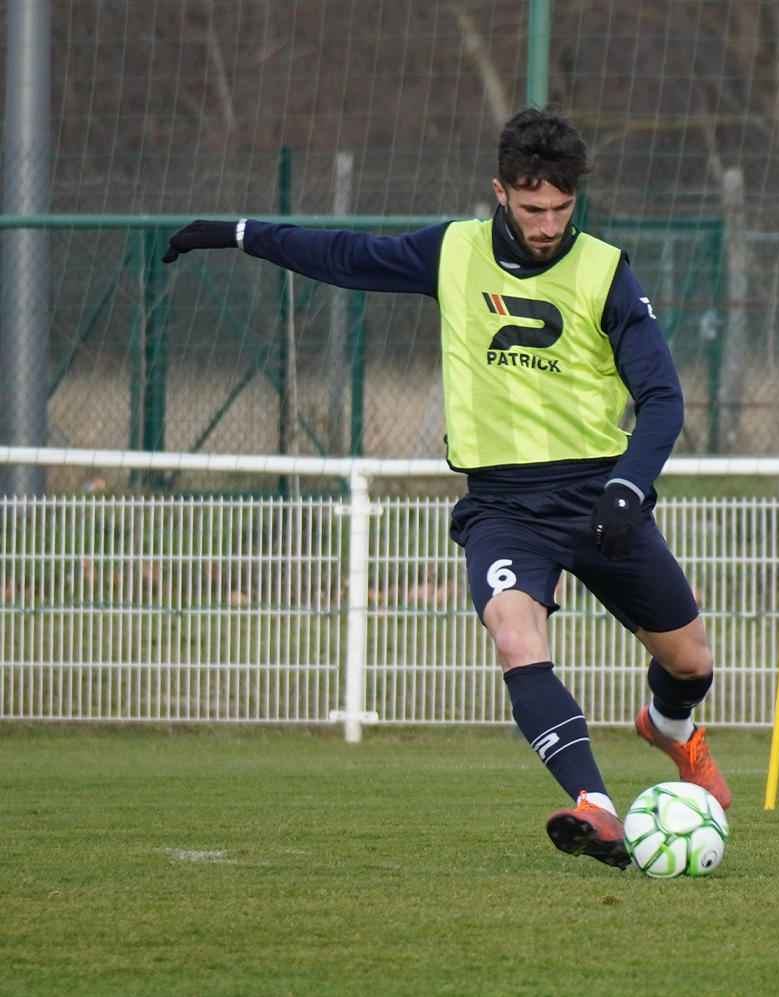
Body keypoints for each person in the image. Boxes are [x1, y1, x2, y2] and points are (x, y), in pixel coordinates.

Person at [162, 107, 729, 871]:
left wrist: (628, 488)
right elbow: (342, 255)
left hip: (599, 499)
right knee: (513, 633)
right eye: (533, 208)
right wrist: (237, 233)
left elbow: (662, 398)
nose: (549, 223)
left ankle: (667, 726)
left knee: (692, 662)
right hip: (501, 506)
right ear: (501, 191)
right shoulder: (453, 252)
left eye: (562, 208)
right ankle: (595, 807)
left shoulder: (604, 271)